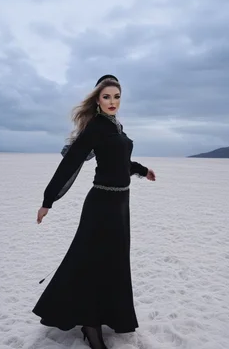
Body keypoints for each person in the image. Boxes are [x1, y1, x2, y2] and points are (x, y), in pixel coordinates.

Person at [32, 75, 156, 349]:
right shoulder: (96, 127)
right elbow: (71, 163)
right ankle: (90, 325)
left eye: (117, 96)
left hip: (121, 205)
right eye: (107, 96)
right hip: (101, 205)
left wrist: (141, 170)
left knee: (113, 263)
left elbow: (121, 161)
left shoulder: (117, 127)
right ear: (97, 100)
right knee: (92, 262)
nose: (113, 102)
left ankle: (108, 314)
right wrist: (48, 200)